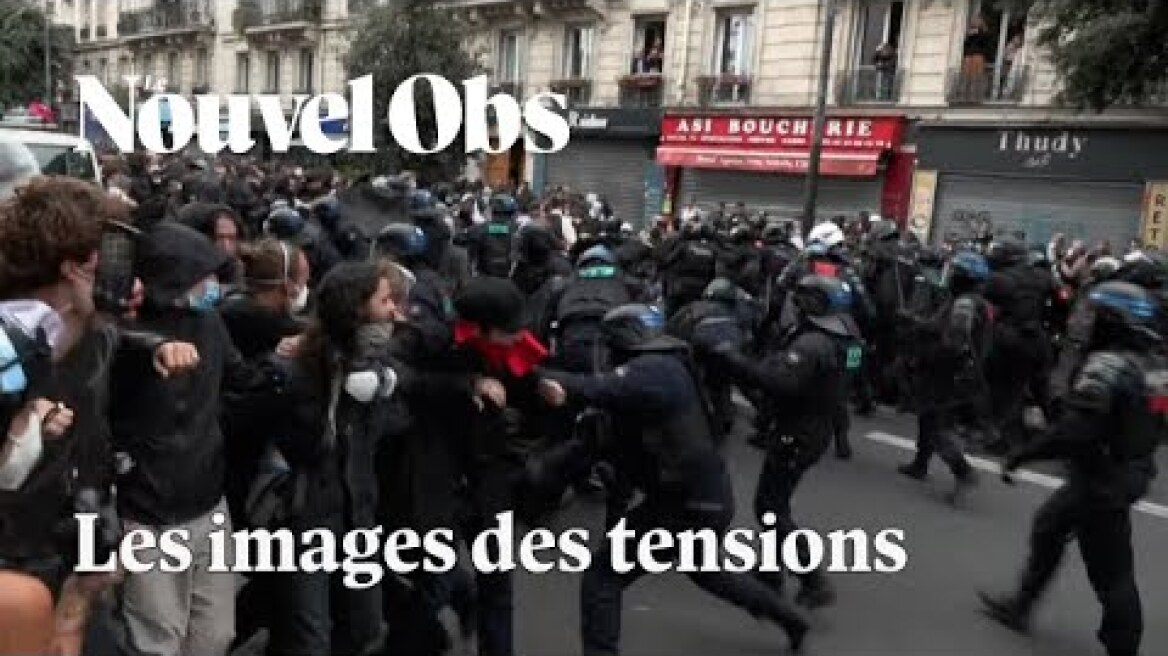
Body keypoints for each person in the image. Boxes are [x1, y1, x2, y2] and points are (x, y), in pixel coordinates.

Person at [538, 304, 810, 656]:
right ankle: (789, 618)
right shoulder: (668, 366)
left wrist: (536, 376)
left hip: (684, 505)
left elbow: (596, 388)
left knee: (603, 577)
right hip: (698, 498)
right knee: (707, 572)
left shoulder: (656, 370)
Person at [980, 281, 1165, 656]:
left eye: (1097, 315)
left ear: (1116, 321)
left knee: (1111, 573)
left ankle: (1123, 646)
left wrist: (1024, 453)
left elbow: (1076, 431)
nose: (1089, 320)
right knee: (1050, 526)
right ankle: (1021, 606)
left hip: (1102, 478)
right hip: (1127, 470)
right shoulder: (1155, 366)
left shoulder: (1108, 365)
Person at [698, 275, 857, 607]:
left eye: (802, 302)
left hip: (797, 431)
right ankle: (769, 572)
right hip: (816, 426)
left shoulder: (812, 344)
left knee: (770, 506)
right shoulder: (848, 337)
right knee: (774, 502)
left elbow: (778, 382)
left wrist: (733, 359)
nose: (795, 308)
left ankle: (812, 579)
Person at [897, 251, 994, 504]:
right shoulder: (968, 301)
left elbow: (952, 344)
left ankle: (963, 471)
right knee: (927, 417)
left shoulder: (965, 305)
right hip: (953, 374)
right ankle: (920, 463)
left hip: (948, 375)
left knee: (937, 425)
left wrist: (922, 343)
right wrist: (919, 322)